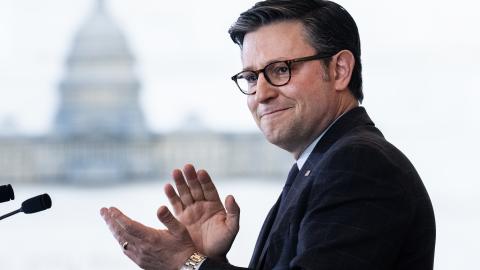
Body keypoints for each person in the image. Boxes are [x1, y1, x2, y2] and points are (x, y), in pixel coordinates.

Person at [100, 0, 436, 269]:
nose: (261, 93)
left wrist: (187, 264)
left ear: (339, 70)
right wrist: (210, 258)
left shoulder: (359, 166)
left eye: (280, 70)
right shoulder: (319, 164)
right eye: (250, 77)